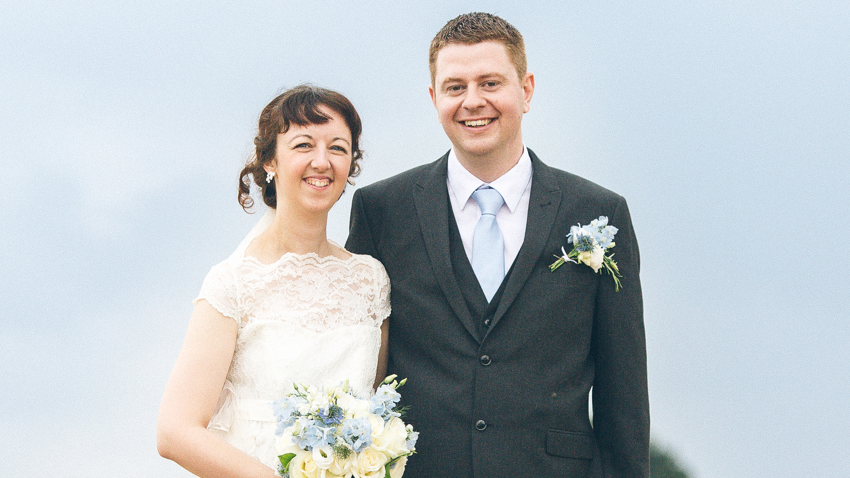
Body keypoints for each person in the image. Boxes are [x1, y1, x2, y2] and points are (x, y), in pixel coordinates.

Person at [346, 12, 649, 478]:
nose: (473, 102)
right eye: (454, 87)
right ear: (434, 97)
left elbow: (623, 393)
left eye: (490, 83)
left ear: (526, 90)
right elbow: (356, 364)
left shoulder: (599, 213)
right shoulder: (381, 210)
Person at [157, 85, 391, 477]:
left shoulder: (370, 281)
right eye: (303, 145)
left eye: (337, 147)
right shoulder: (233, 282)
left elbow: (375, 407)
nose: (322, 161)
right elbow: (174, 431)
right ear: (270, 160)